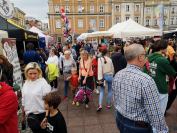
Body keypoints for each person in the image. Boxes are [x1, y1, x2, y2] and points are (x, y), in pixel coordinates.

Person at [112, 44, 168, 133]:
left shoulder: (118, 74)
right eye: (145, 55)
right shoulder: (146, 80)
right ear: (140, 57)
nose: (147, 58)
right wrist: (163, 130)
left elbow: (115, 99)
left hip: (120, 119)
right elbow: (155, 113)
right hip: (137, 127)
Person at [145, 39, 176, 115]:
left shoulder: (147, 58)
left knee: (151, 112)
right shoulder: (162, 60)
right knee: (160, 114)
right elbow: (172, 72)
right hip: (160, 88)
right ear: (163, 48)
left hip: (149, 87)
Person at [22, 62, 51, 133]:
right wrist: (23, 115)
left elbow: (48, 100)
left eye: (35, 73)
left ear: (39, 72)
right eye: (30, 73)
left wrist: (46, 117)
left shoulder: (42, 82)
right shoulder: (26, 83)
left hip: (42, 114)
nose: (32, 76)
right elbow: (24, 100)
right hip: (30, 115)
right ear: (26, 73)